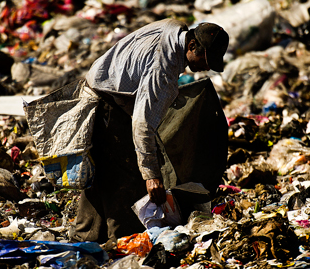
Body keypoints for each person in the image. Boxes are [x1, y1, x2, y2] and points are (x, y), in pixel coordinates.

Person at [70, 18, 230, 243]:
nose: (206, 67)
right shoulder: (163, 70)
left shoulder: (174, 29)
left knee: (102, 171)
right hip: (109, 103)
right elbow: (142, 124)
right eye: (205, 59)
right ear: (191, 45)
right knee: (128, 178)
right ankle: (121, 242)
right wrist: (151, 176)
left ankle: (84, 238)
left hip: (100, 90)